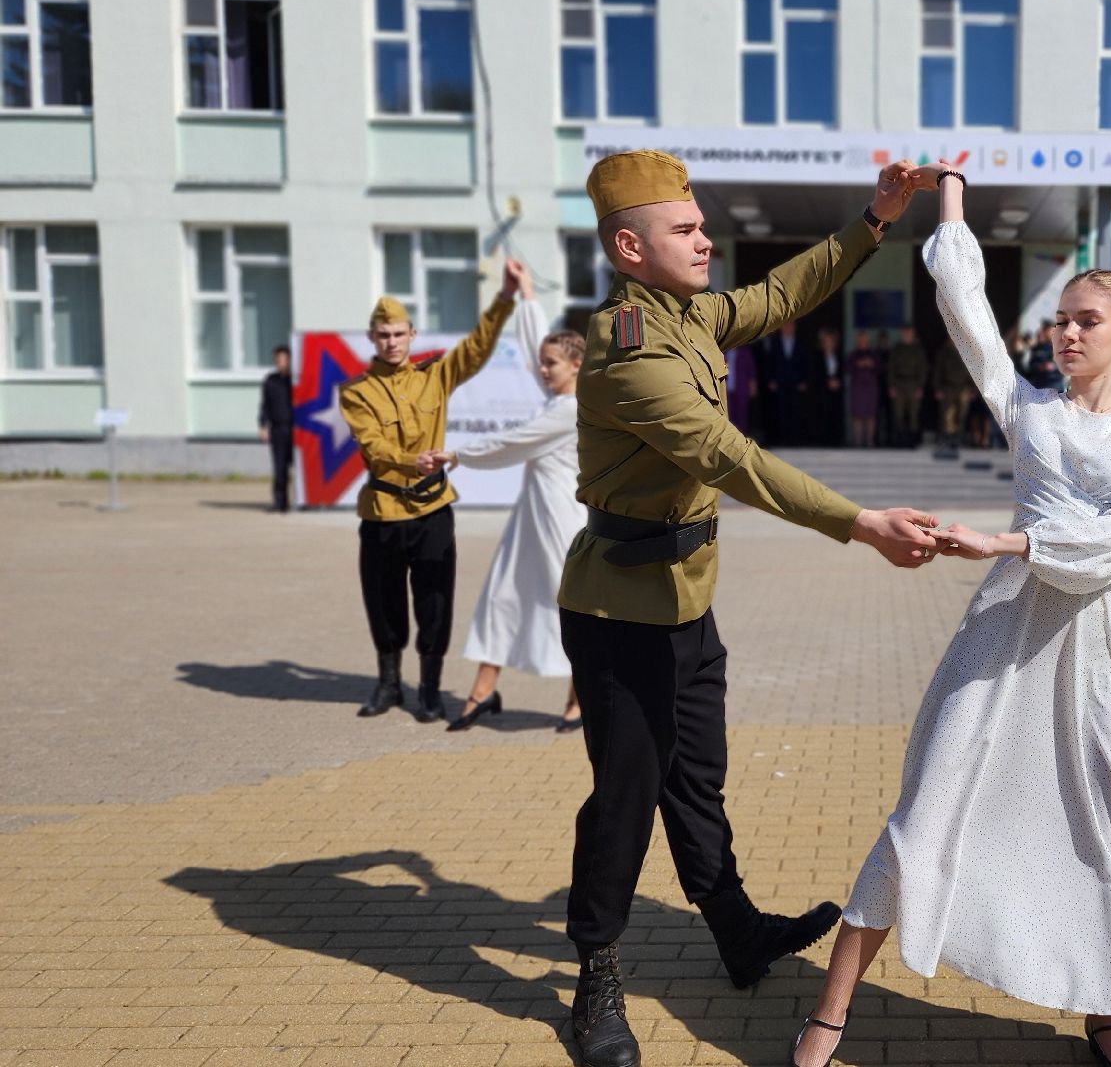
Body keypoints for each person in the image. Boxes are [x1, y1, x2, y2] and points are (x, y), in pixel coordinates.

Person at [788, 162, 1111, 1067]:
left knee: (1102, 823)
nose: (1064, 333)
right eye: (1059, 319)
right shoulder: (1029, 412)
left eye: (1084, 321)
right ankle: (827, 1017)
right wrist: (949, 192)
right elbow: (967, 310)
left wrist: (1010, 544)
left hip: (1101, 651)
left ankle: (1104, 1013)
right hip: (999, 640)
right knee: (922, 813)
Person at [556, 149, 943, 1067]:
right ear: (629, 246)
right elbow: (732, 459)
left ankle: (734, 929)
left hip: (687, 600)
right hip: (622, 613)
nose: (703, 242)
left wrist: (875, 220)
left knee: (697, 778)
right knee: (625, 796)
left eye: (700, 225)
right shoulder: (628, 352)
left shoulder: (686, 316)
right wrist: (861, 524)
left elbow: (779, 295)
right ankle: (594, 980)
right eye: (685, 230)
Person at [339, 262, 524, 723]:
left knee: (435, 602)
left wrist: (503, 299)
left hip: (432, 511)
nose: (392, 343)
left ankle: (429, 689)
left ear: (412, 334)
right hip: (382, 511)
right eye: (383, 335)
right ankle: (387, 685)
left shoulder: (435, 376)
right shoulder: (356, 392)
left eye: (399, 334)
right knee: (384, 606)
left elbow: (477, 348)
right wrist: (409, 460)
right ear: (372, 338)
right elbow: (372, 445)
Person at [418, 290, 587, 734]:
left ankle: (580, 696)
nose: (541, 369)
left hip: (562, 524)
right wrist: (527, 295)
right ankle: (482, 691)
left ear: (576, 365)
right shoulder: (556, 398)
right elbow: (540, 346)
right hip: (529, 522)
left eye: (551, 364)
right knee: (501, 599)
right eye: (543, 363)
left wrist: (456, 456)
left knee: (570, 611)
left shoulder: (569, 410)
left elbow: (510, 443)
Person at [757, 321, 808, 446]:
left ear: (794, 328)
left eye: (791, 326)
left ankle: (794, 438)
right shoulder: (775, 342)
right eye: (785, 326)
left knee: (795, 411)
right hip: (780, 382)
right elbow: (770, 363)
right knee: (781, 410)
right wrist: (771, 380)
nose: (788, 328)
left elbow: (805, 363)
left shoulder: (801, 342)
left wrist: (804, 380)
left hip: (796, 383)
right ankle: (782, 438)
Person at [258, 344, 294, 512]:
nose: (281, 362)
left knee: (301, 468)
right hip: (278, 430)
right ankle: (280, 502)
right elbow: (265, 406)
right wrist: (263, 425)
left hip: (296, 430)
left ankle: (303, 501)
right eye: (277, 360)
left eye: (284, 359)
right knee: (280, 469)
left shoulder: (296, 381)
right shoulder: (270, 381)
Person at [887, 325, 928, 447]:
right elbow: (891, 369)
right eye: (904, 333)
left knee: (913, 414)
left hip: (914, 385)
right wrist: (891, 386)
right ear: (901, 334)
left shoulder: (918, 350)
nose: (906, 335)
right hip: (899, 385)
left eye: (909, 333)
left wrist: (920, 386)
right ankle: (900, 440)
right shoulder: (896, 349)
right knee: (898, 413)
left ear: (913, 334)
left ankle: (913, 441)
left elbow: (923, 370)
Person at [932, 334, 973, 449]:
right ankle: (947, 437)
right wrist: (937, 388)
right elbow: (938, 371)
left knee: (962, 413)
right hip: (948, 387)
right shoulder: (944, 352)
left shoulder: (966, 351)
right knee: (947, 414)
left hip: (963, 387)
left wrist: (972, 389)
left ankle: (958, 436)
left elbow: (972, 371)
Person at [808, 327, 846, 447]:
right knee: (823, 414)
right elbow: (815, 374)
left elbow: (842, 372)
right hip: (822, 391)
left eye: (830, 341)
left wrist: (838, 382)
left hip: (836, 390)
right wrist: (827, 382)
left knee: (835, 414)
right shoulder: (817, 356)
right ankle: (823, 440)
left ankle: (836, 439)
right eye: (826, 341)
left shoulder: (838, 356)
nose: (828, 343)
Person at [846, 330, 882, 448]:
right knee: (857, 416)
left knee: (870, 416)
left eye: (864, 340)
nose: (862, 343)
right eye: (860, 341)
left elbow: (880, 368)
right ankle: (858, 442)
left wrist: (871, 364)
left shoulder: (874, 354)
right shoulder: (853, 355)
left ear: (868, 342)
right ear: (857, 342)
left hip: (870, 389)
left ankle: (870, 442)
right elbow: (846, 368)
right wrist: (858, 364)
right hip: (857, 388)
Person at [724, 338, 757, 437]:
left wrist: (753, 388)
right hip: (726, 389)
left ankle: (742, 438)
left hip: (741, 388)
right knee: (728, 415)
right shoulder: (723, 353)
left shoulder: (744, 352)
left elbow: (751, 371)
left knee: (741, 415)